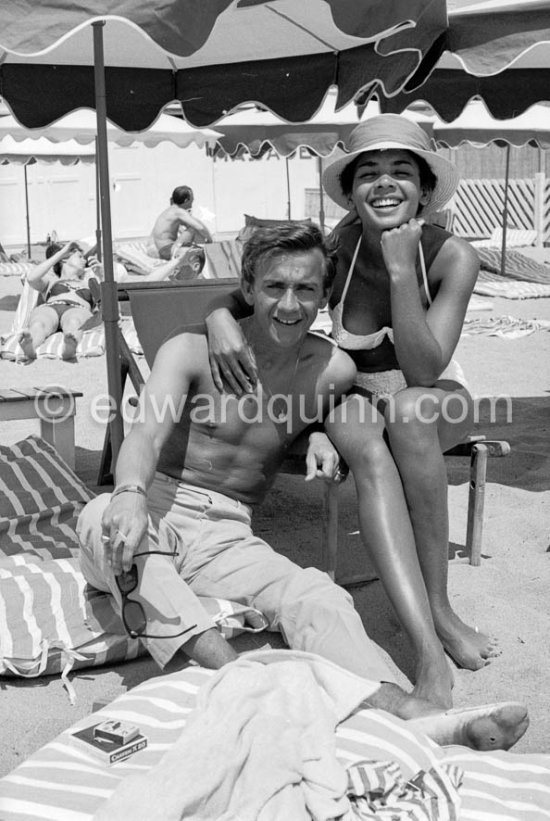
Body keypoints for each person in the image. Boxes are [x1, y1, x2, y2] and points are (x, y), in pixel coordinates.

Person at [76, 223, 527, 751]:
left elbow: (348, 409)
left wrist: (320, 433)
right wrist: (129, 492)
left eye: (306, 290)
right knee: (107, 522)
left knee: (316, 595)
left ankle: (408, 712)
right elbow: (148, 434)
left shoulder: (330, 370)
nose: (289, 304)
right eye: (274, 287)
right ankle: (242, 678)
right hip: (155, 503)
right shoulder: (191, 350)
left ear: (323, 296)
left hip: (228, 530)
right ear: (248, 289)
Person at [203, 115, 498, 710]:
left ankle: (440, 608)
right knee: (360, 435)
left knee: (410, 411)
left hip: (433, 393)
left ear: (423, 187)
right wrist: (216, 319)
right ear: (352, 186)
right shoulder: (335, 245)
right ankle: (427, 651)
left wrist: (397, 267)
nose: (384, 184)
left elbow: (422, 368)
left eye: (400, 172)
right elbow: (250, 290)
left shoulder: (451, 257)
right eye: (369, 172)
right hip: (355, 392)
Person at [18, 239, 192, 360]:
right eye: (79, 256)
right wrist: (62, 251)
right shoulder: (51, 281)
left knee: (74, 321)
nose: (84, 260)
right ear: (64, 260)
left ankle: (69, 347)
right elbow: (32, 278)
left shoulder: (89, 280)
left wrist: (102, 276)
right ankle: (30, 347)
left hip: (77, 308)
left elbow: (114, 302)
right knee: (39, 323)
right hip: (51, 305)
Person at [149, 185, 213, 260]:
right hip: (169, 251)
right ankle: (204, 251)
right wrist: (210, 240)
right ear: (186, 200)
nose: (193, 200)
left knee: (193, 226)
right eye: (192, 198)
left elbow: (188, 224)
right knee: (194, 229)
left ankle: (201, 251)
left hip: (163, 250)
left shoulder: (171, 210)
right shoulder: (178, 212)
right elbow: (200, 227)